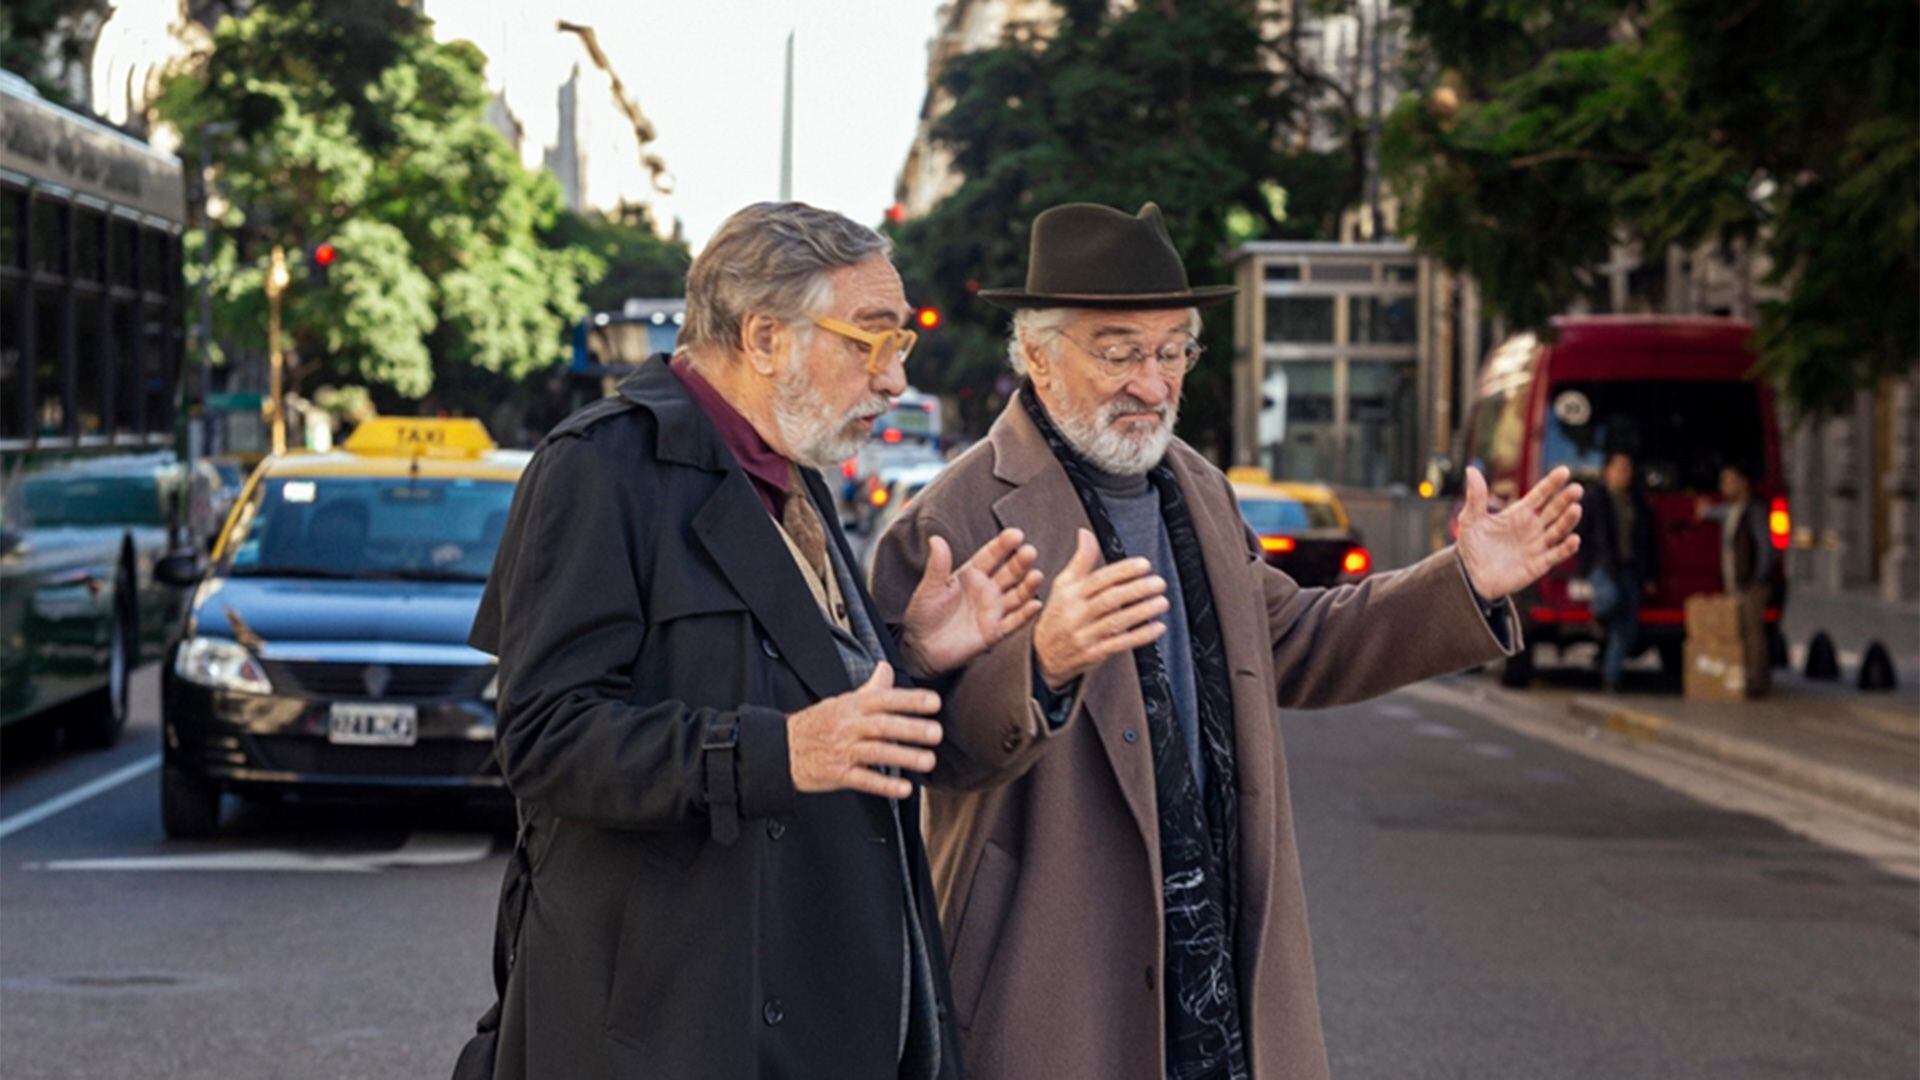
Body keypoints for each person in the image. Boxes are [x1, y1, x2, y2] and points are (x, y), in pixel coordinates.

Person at [868, 201, 1583, 1080]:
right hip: (1051, 975)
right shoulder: (954, 513)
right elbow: (919, 743)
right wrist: (1043, 665)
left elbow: (1296, 639)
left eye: (1173, 352)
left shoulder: (1198, 488)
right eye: (1121, 351)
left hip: (1219, 957)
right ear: (1039, 357)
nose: (1154, 383)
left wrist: (1463, 582)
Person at [469, 202, 1044, 1080]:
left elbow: (785, 685)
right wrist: (774, 754)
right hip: (676, 1028)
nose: (893, 382)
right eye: (871, 341)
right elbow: (545, 742)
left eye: (901, 348)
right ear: (766, 338)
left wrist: (908, 654)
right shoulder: (600, 467)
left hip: (814, 1008)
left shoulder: (789, 469)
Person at [1578, 450, 1657, 692]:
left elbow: (1647, 540)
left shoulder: (1637, 501)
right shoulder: (1595, 498)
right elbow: (1583, 533)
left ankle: (1611, 677)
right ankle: (1598, 619)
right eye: (1620, 468)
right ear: (1608, 471)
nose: (1625, 473)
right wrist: (1585, 564)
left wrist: (1649, 574)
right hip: (1602, 565)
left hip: (1629, 567)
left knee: (1626, 627)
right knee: (1611, 598)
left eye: (1628, 468)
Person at [1698, 462, 1777, 691]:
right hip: (1735, 583)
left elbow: (1765, 548)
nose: (1724, 486)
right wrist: (1704, 511)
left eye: (1729, 480)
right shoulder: (1732, 510)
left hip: (1751, 584)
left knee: (1754, 633)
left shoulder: (1754, 511)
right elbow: (1714, 513)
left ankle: (1757, 680)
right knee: (1740, 631)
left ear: (1743, 484)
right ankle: (1742, 675)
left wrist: (1757, 578)